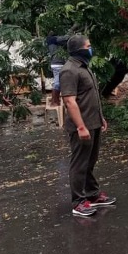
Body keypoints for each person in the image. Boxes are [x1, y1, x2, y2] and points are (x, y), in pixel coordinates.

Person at [60, 34, 116, 217]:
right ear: (79, 49)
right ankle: (78, 202)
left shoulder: (84, 68)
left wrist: (100, 118)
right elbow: (69, 101)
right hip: (81, 126)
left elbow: (91, 97)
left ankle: (92, 194)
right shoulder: (69, 70)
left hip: (93, 123)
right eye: (89, 46)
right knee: (79, 164)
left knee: (90, 161)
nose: (91, 49)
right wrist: (81, 127)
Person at [47, 34, 70, 107]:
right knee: (58, 83)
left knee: (61, 83)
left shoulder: (52, 40)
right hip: (58, 64)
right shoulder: (53, 39)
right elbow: (66, 38)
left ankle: (57, 101)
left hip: (57, 64)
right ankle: (54, 101)